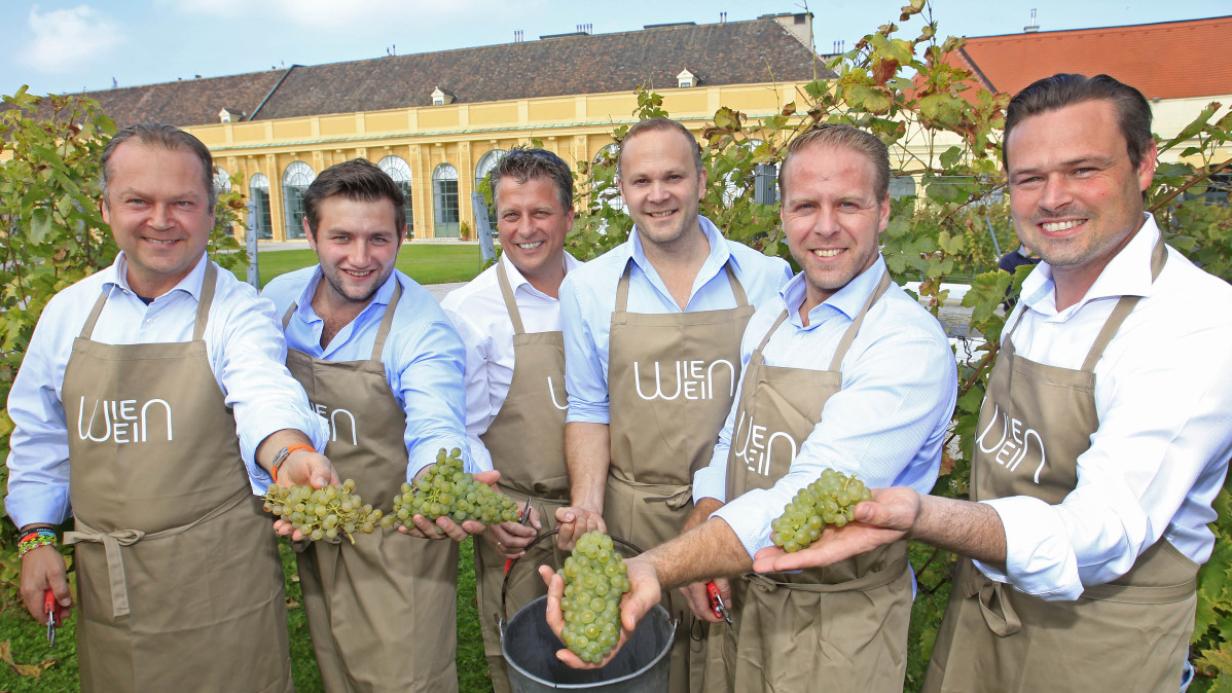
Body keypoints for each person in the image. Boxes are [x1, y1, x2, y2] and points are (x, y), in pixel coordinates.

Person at [753, 74, 1232, 692]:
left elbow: (1104, 533)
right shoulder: (1036, 295)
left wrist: (922, 513)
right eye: (1030, 179)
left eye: (1083, 170)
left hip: (1099, 649)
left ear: (1144, 166)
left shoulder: (1191, 323)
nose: (1053, 198)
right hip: (981, 617)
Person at [543, 125, 957, 692]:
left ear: (884, 211)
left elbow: (809, 495)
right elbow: (732, 439)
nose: (826, 225)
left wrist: (667, 564)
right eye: (806, 206)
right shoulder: (774, 317)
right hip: (744, 592)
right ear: (783, 214)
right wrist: (706, 518)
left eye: (849, 205)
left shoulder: (904, 343)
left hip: (835, 617)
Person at [5, 123, 336, 693]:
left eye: (182, 203)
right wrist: (36, 537)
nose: (161, 220)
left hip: (221, 585)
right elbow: (41, 436)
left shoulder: (239, 312)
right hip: (111, 589)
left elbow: (262, 389)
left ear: (210, 213)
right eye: (139, 201)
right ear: (106, 208)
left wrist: (288, 453)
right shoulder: (68, 313)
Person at [556, 117, 792, 691]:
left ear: (702, 182)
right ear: (623, 191)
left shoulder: (767, 278)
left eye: (673, 177)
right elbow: (589, 407)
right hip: (633, 513)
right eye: (641, 181)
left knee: (730, 666)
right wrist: (588, 509)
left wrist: (719, 516)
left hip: (738, 512)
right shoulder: (587, 288)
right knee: (640, 667)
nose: (657, 194)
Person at [261, 158, 478, 692]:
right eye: (341, 237)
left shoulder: (423, 329)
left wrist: (437, 478)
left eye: (379, 239)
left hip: (398, 546)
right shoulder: (279, 301)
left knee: (407, 680)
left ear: (402, 235)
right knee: (338, 672)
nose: (360, 259)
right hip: (319, 531)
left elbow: (437, 422)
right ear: (309, 233)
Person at [441, 147, 581, 693]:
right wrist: (492, 509)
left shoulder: (602, 294)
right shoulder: (469, 311)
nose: (526, 229)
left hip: (601, 513)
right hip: (520, 521)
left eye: (541, 213)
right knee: (529, 667)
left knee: (611, 653)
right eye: (510, 216)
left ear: (569, 216)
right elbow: (455, 430)